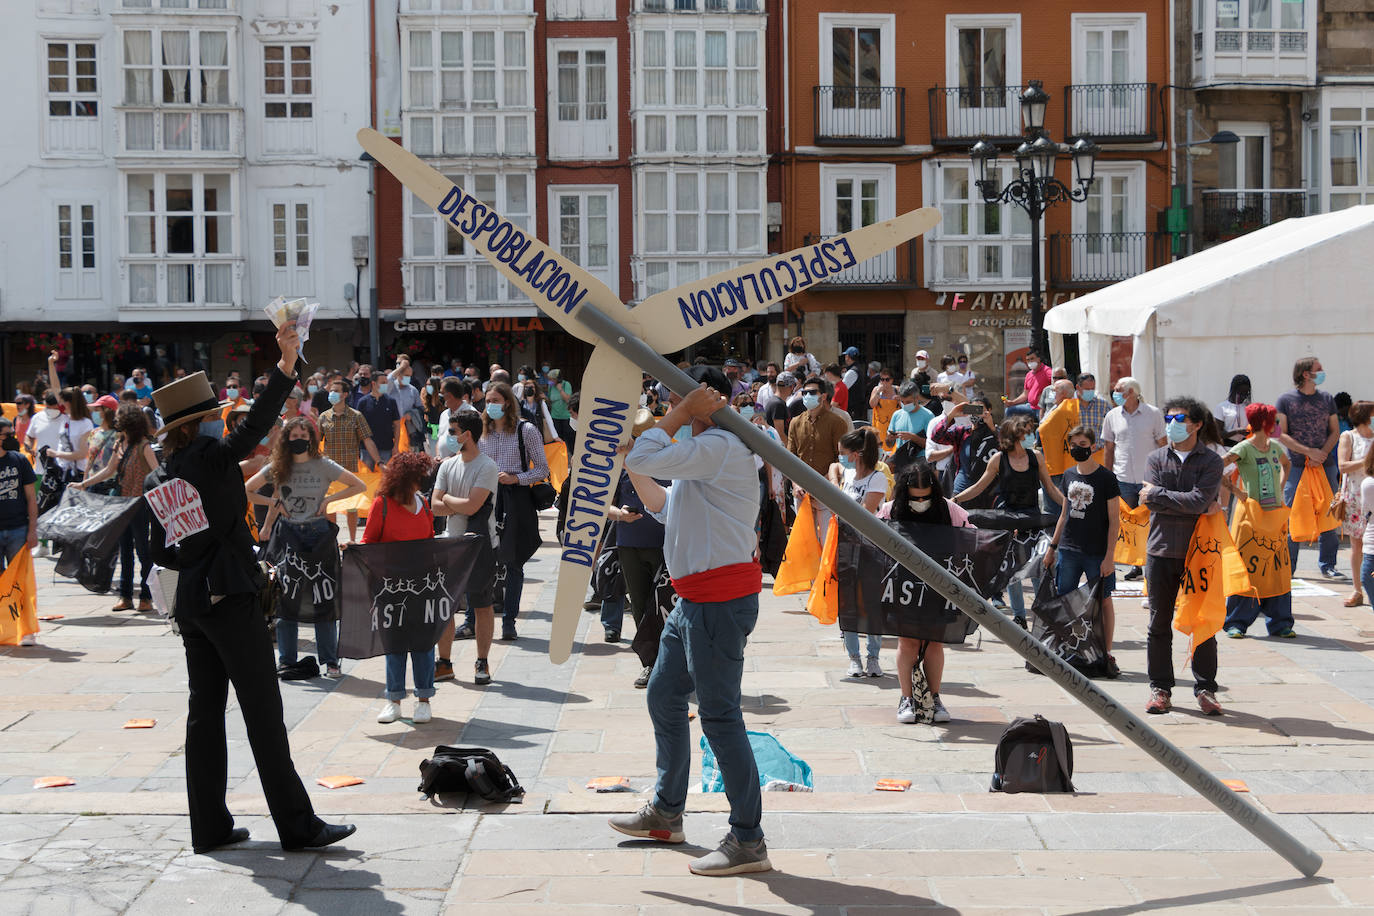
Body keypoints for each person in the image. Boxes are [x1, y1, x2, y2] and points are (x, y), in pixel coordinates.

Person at [146, 321, 354, 854]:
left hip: (191, 604)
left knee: (204, 713)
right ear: (202, 424)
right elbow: (258, 424)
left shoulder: (162, 475)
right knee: (264, 713)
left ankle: (209, 826)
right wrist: (286, 365)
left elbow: (159, 553)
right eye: (215, 417)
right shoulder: (211, 460)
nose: (222, 423)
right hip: (232, 599)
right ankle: (298, 826)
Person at [612, 367, 770, 876]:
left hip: (717, 604)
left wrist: (680, 416)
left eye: (676, 400)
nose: (668, 410)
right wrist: (629, 461)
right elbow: (663, 506)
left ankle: (748, 839)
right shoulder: (705, 457)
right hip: (693, 604)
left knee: (721, 717)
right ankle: (666, 812)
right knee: (663, 693)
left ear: (706, 401)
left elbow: (646, 454)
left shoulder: (721, 446)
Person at [247, 417, 366, 679]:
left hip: (319, 536)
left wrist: (329, 501)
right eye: (294, 435)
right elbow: (247, 489)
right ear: (286, 439)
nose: (299, 439)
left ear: (312, 438)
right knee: (286, 600)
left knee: (324, 598)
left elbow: (359, 485)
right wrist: (273, 503)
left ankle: (331, 661)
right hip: (288, 535)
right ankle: (287, 660)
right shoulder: (278, 465)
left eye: (304, 434)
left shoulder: (323, 464)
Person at [1141, 397, 1225, 716]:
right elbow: (1154, 504)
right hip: (1161, 549)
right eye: (1169, 417)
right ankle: (1160, 688)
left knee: (1203, 623)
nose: (1172, 423)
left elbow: (1197, 501)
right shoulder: (1156, 458)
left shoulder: (1211, 461)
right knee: (1158, 622)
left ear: (1197, 423)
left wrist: (1161, 496)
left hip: (1199, 553)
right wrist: (1189, 502)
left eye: (1180, 418)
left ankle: (1205, 689)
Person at [954, 416, 1064, 625]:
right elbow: (979, 486)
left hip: (1031, 516)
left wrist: (1069, 504)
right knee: (1012, 568)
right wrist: (956, 499)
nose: (1032, 436)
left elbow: (1050, 488)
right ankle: (1019, 615)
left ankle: (1042, 611)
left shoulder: (1036, 457)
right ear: (1016, 436)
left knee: (1038, 563)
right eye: (1028, 432)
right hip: (1007, 517)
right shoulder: (999, 459)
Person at [362, 451, 440, 723]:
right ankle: (393, 700)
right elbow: (369, 543)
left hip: (421, 586)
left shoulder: (424, 504)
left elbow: (429, 540)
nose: (425, 480)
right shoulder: (381, 504)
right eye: (421, 476)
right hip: (390, 588)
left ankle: (424, 700)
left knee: (423, 644)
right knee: (394, 645)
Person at [888, 460, 968, 724]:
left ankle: (934, 697)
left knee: (935, 642)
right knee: (907, 642)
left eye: (925, 498)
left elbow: (973, 538)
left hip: (938, 588)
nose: (920, 503)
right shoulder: (891, 510)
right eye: (915, 498)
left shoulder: (949, 510)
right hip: (905, 588)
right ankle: (907, 698)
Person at [1044, 425, 1122, 677]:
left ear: (1093, 445)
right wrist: (1052, 547)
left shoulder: (1106, 478)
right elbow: (1064, 514)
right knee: (1066, 600)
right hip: (1069, 548)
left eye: (1083, 444)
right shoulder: (1068, 475)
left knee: (1103, 600)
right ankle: (1071, 648)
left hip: (1097, 551)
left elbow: (1114, 521)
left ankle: (1106, 652)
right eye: (1074, 444)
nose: (1078, 448)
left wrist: (1110, 556)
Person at [70, 404, 160, 612]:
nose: (116, 420)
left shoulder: (144, 445)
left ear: (128, 421)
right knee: (125, 551)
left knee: (143, 552)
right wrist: (84, 484)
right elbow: (109, 470)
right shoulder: (120, 442)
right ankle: (125, 596)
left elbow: (157, 472)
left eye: (119, 417)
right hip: (121, 504)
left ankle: (146, 597)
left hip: (139, 504)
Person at [432, 411, 499, 686]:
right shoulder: (447, 466)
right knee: (445, 607)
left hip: (480, 545)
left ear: (467, 435)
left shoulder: (487, 466)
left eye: (453, 431)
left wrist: (447, 497)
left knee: (482, 604)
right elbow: (434, 506)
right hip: (451, 543)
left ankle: (482, 661)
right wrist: (452, 501)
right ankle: (444, 663)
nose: (450, 436)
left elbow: (472, 506)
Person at [480, 382, 549, 641]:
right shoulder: (482, 431)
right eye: (488, 401)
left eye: (495, 400)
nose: (491, 406)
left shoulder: (526, 430)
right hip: (486, 498)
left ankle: (509, 621)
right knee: (481, 560)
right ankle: (470, 620)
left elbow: (543, 469)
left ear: (507, 402)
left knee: (514, 563)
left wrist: (516, 478)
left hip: (515, 499)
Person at [1220, 403, 1294, 636]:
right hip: (1250, 517)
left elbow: (1287, 464)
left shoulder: (1275, 447)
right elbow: (1217, 466)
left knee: (1277, 568)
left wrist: (1280, 487)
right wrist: (1236, 491)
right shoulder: (1243, 448)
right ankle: (1235, 623)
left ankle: (1281, 623)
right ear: (1266, 423)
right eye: (1275, 421)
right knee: (1249, 569)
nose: (1277, 426)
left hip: (1274, 516)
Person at [1276, 357, 1343, 580]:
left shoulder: (1326, 398)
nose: (1323, 372)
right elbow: (1281, 434)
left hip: (1326, 466)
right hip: (1296, 467)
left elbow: (1334, 431)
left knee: (1330, 513)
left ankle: (1328, 564)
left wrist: (1321, 453)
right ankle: (1288, 566)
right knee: (1293, 514)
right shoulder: (1286, 399)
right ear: (1306, 374)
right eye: (1319, 369)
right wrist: (1308, 452)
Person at [828, 428, 887, 679]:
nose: (840, 457)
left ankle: (873, 656)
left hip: (870, 547)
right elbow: (833, 468)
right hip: (845, 545)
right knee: (848, 603)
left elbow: (866, 512)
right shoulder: (848, 474)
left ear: (856, 454)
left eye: (843, 453)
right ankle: (854, 657)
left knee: (873, 603)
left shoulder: (877, 478)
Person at [1101, 376, 1167, 582]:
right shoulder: (1112, 415)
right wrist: (1106, 475)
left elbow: (1163, 445)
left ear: (1131, 392)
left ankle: (1151, 562)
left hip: (1149, 479)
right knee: (1128, 525)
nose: (1115, 393)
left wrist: (1164, 475)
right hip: (1122, 478)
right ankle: (1134, 565)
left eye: (1119, 390)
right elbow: (1109, 448)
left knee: (1150, 522)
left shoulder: (1153, 414)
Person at [318, 378, 384, 544]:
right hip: (329, 472)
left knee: (352, 507)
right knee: (330, 506)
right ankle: (332, 541)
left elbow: (367, 440)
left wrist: (379, 462)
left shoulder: (356, 416)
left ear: (345, 394)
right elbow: (316, 443)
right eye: (331, 390)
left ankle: (353, 541)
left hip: (350, 470)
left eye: (336, 391)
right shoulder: (324, 417)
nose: (332, 394)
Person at [787, 375, 848, 541]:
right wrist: (796, 483)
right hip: (801, 492)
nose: (807, 396)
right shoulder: (795, 422)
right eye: (804, 392)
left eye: (812, 392)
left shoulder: (837, 422)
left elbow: (841, 459)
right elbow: (790, 458)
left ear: (823, 396)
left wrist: (822, 483)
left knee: (826, 540)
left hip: (827, 490)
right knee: (805, 541)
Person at [0, 416, 39, 644]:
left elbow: (31, 497)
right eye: (7, 435)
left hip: (17, 528)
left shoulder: (20, 460)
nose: (11, 439)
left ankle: (26, 630)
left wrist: (32, 530)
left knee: (20, 582)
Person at [1337, 401, 1374, 606]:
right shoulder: (1349, 436)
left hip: (1372, 496)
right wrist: (1368, 461)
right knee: (1356, 545)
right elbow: (1342, 466)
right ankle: (1357, 589)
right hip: (1354, 497)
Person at [929, 397, 997, 504]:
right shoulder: (962, 432)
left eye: (979, 409)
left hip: (987, 490)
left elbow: (1008, 446)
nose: (976, 414)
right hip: (961, 490)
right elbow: (936, 436)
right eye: (973, 409)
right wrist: (952, 414)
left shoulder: (996, 432)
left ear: (989, 410)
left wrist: (992, 427)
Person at [883, 380, 935, 474]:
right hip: (901, 461)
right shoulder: (897, 415)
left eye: (908, 402)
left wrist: (913, 437)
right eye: (902, 401)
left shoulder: (928, 415)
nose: (905, 405)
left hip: (920, 463)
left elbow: (933, 445)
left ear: (917, 398)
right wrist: (890, 438)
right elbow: (889, 444)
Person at [1003, 348, 1053, 420]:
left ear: (1039, 359)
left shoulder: (1048, 371)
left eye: (1032, 359)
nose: (1030, 362)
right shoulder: (1029, 375)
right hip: (1030, 406)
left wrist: (1045, 395)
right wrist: (1012, 402)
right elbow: (1025, 394)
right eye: (1028, 360)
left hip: (1042, 408)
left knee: (1040, 429)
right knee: (1009, 410)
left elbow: (1057, 386)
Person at [1215, 374, 1252, 447]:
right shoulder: (1222, 407)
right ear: (1233, 390)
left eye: (1246, 393)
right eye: (1240, 393)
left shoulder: (1249, 407)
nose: (1243, 396)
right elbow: (1218, 433)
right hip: (1227, 447)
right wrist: (1236, 431)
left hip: (1245, 447)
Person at [546, 369, 574, 446]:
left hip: (566, 417)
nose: (550, 381)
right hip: (555, 416)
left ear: (557, 379)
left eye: (551, 379)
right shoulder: (550, 387)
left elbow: (568, 399)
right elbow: (549, 400)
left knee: (570, 438)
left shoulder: (566, 384)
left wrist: (560, 389)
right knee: (557, 439)